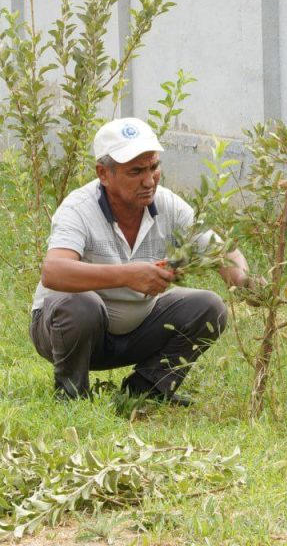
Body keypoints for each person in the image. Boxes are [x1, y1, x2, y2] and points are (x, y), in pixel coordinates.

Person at [29, 117, 252, 405]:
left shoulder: (167, 204)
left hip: (137, 328)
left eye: (154, 167)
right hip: (66, 331)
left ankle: (145, 391)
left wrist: (243, 280)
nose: (149, 180)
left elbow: (220, 249)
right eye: (136, 171)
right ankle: (71, 394)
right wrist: (126, 275)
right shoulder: (79, 208)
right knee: (80, 304)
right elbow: (54, 272)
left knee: (209, 307)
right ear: (103, 173)